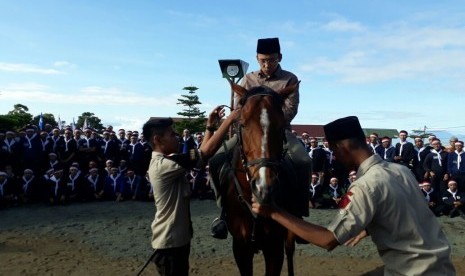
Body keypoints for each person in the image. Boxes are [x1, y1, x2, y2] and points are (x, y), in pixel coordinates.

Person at [251, 116, 455, 275]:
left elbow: (327, 240)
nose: (335, 157)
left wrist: (273, 212)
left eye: (334, 150)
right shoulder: (401, 171)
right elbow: (402, 211)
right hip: (442, 267)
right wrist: (369, 227)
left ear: (343, 147)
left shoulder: (365, 186)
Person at [209, 37, 311, 238]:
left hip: (278, 133)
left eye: (271, 60)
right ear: (257, 58)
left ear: (279, 57)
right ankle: (222, 211)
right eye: (263, 60)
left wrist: (270, 122)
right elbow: (239, 109)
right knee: (216, 159)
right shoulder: (247, 79)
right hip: (249, 134)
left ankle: (299, 211)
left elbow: (291, 109)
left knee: (303, 160)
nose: (267, 64)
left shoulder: (289, 79)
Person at [142, 106, 238, 276]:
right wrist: (229, 120)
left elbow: (200, 158)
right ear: (157, 139)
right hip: (170, 243)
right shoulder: (162, 166)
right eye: (172, 135)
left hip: (176, 240)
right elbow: (205, 153)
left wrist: (210, 127)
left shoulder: (168, 161)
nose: (177, 138)